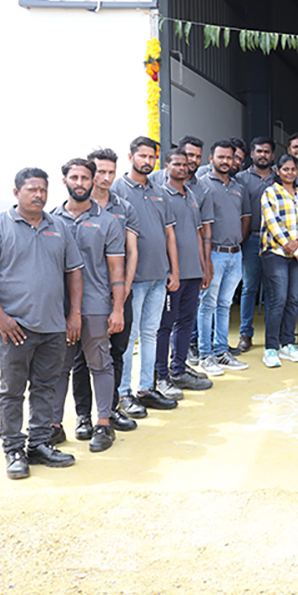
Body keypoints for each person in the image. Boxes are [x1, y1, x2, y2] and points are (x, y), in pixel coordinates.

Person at [0, 167, 82, 478]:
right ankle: (13, 449)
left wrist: (74, 315)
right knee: (12, 390)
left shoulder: (59, 227)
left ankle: (39, 444)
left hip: (53, 327)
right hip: (14, 328)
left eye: (43, 190)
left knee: (46, 387)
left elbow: (74, 272)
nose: (39, 195)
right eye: (32, 189)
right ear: (16, 192)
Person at [49, 159, 125, 453]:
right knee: (59, 368)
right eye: (74, 177)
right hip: (58, 309)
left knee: (100, 364)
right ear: (65, 181)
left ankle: (103, 424)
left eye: (85, 178)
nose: (79, 183)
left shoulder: (108, 222)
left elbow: (116, 271)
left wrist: (117, 309)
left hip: (95, 306)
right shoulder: (50, 220)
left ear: (93, 181)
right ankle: (54, 427)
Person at [70, 148, 143, 432]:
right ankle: (83, 416)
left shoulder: (124, 208)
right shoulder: (74, 208)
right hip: (84, 298)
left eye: (111, 172)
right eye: (100, 172)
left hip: (118, 293)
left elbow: (131, 252)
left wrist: (122, 294)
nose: (106, 178)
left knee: (117, 352)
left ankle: (110, 410)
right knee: (81, 358)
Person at [110, 136, 180, 412]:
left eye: (152, 157)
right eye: (143, 156)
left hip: (158, 277)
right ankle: (123, 394)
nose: (147, 161)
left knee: (150, 333)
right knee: (130, 337)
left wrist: (174, 271)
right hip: (133, 280)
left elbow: (169, 234)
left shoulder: (160, 191)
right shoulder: (117, 190)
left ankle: (146, 388)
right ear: (131, 157)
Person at [154, 150, 213, 396]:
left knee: (187, 321)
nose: (182, 168)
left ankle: (178, 369)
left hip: (192, 272)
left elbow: (198, 234)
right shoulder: (161, 196)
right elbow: (163, 237)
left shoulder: (192, 195)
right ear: (166, 166)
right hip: (173, 275)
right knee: (165, 325)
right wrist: (172, 271)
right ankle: (160, 375)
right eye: (176, 164)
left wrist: (204, 267)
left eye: (185, 164)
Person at [196, 139, 251, 376]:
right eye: (221, 157)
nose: (226, 161)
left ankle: (221, 351)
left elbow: (245, 217)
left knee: (225, 304)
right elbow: (198, 223)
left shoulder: (239, 186)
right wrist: (205, 258)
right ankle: (205, 355)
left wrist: (238, 242)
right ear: (211, 159)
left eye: (230, 157)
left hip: (234, 255)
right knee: (207, 304)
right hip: (213, 254)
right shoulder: (202, 183)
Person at [261, 154, 298, 367]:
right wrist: (292, 247)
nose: (290, 173)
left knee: (293, 299)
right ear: (278, 170)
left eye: (293, 169)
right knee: (279, 299)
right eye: (286, 169)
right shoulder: (270, 193)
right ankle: (271, 348)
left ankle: (287, 344)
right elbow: (272, 223)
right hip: (276, 253)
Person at [236, 137, 277, 353]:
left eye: (267, 152)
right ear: (252, 154)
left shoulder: (279, 177)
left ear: (272, 155)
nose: (263, 155)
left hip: (275, 241)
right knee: (249, 287)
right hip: (250, 239)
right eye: (259, 151)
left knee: (272, 289)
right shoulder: (241, 178)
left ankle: (272, 334)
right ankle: (245, 334)